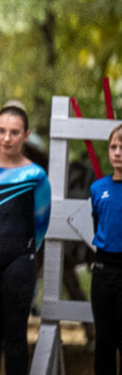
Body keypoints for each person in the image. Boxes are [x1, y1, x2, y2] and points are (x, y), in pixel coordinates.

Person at [0, 102, 51, 375]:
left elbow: (41, 221)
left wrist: (26, 252)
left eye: (14, 132)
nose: (7, 138)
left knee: (16, 334)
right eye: (2, 131)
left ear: (26, 135)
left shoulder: (36, 175)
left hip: (21, 261)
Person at [90, 122, 122, 375]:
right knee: (104, 340)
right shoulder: (98, 188)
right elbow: (97, 223)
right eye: (113, 147)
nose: (117, 152)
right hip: (103, 271)